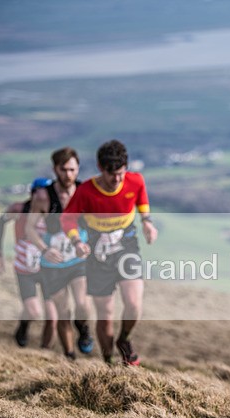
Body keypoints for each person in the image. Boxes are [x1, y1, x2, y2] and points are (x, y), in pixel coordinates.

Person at [61, 139, 158, 366]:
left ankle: (124, 340)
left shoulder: (135, 181)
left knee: (134, 304)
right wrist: (76, 241)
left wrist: (147, 222)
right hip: (97, 256)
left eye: (121, 174)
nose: (117, 180)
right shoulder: (86, 191)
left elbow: (141, 198)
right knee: (106, 314)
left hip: (127, 248)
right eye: (111, 174)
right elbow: (67, 219)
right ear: (100, 168)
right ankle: (108, 362)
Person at [25, 147, 94, 361]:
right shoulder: (43, 197)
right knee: (63, 312)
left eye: (72, 169)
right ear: (55, 169)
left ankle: (83, 329)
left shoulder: (86, 192)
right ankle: (70, 357)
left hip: (78, 259)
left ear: (78, 168)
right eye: (64, 170)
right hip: (53, 263)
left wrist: (91, 242)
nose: (68, 175)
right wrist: (45, 249)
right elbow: (29, 229)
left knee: (82, 305)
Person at [0, 177, 58, 348]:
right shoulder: (18, 209)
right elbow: (1, 222)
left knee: (53, 317)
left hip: (48, 269)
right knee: (34, 312)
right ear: (33, 194)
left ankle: (45, 353)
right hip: (24, 268)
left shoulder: (55, 212)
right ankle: (23, 327)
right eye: (41, 194)